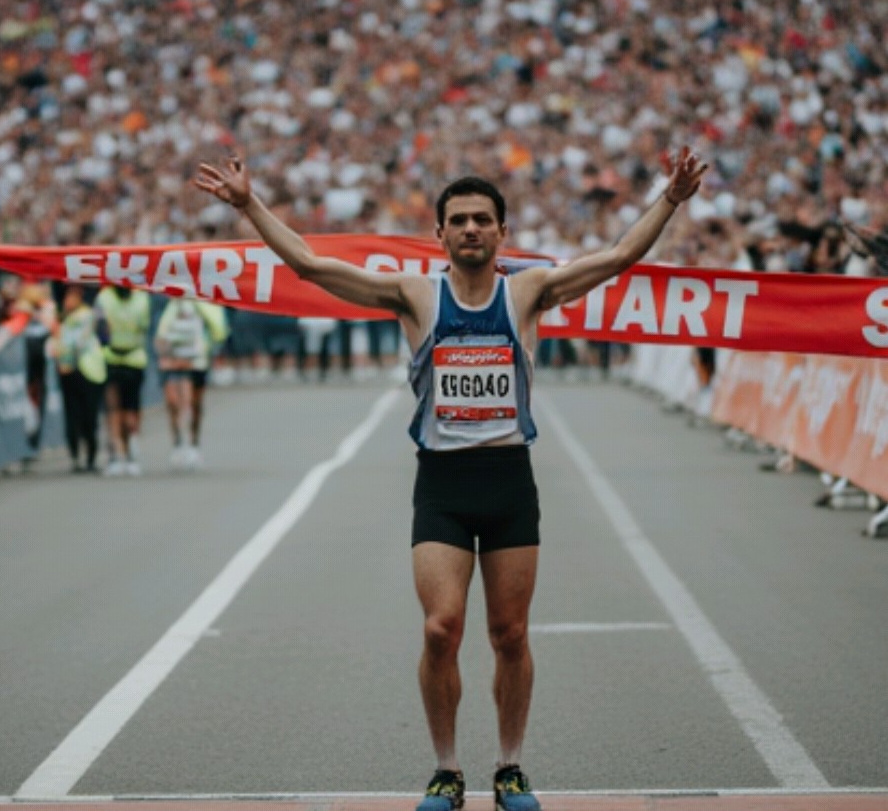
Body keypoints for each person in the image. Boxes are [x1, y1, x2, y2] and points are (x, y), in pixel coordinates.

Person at [195, 148, 707, 811]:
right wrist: (248, 206)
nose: (470, 229)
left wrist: (668, 199)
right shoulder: (414, 294)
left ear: (501, 232)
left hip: (507, 479)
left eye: (482, 220)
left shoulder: (526, 291)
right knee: (441, 628)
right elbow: (310, 266)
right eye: (459, 220)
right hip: (441, 481)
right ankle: (445, 769)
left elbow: (614, 259)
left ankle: (511, 767)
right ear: (439, 234)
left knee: (511, 634)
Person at [0, 281, 57, 462]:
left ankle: (35, 440)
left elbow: (52, 325)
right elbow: (4, 334)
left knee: (40, 403)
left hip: (44, 371)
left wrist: (36, 311)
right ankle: (29, 443)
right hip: (27, 374)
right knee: (29, 404)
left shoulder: (47, 310)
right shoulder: (21, 317)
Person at [153, 296, 229, 470]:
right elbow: (161, 333)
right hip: (174, 360)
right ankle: (178, 443)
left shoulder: (204, 303)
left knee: (195, 404)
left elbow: (219, 331)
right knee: (174, 403)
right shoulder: (171, 304)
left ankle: (193, 443)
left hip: (197, 361)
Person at [94, 285, 152, 477]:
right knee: (114, 409)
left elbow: (144, 325)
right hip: (112, 358)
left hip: (133, 358)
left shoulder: (140, 297)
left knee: (129, 411)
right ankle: (118, 454)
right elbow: (100, 328)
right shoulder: (105, 297)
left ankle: (128, 453)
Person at [50, 284, 106, 474]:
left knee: (89, 415)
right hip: (67, 373)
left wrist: (67, 359)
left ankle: (91, 455)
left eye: (73, 296)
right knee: (72, 415)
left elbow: (78, 342)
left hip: (87, 370)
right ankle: (75, 455)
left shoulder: (87, 315)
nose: (69, 301)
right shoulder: (62, 319)